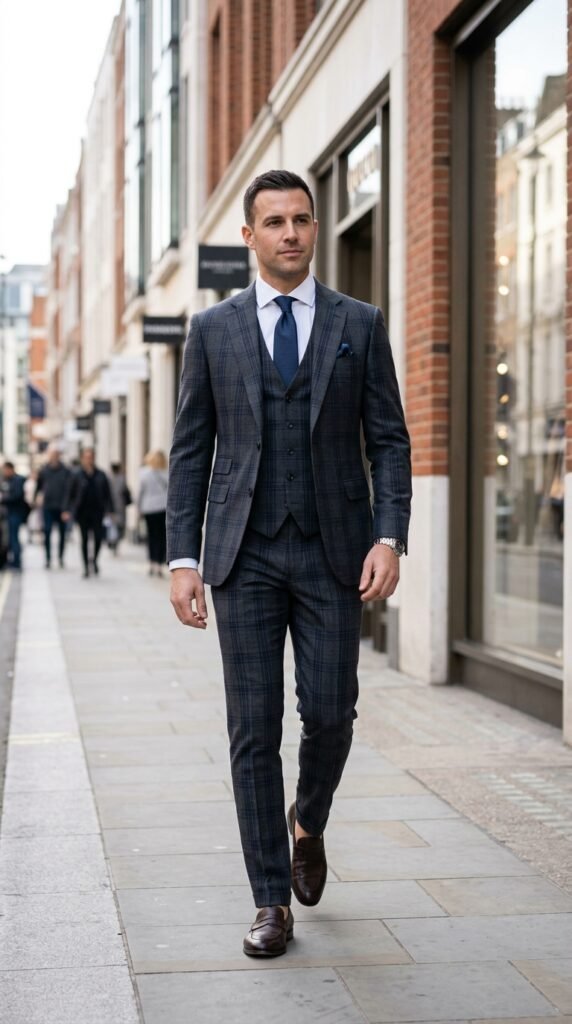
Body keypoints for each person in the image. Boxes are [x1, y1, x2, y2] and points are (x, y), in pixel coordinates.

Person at [167, 170, 412, 958]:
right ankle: (270, 899)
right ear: (249, 236)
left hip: (334, 549)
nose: (291, 234)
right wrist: (182, 557)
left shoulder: (360, 322)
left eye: (302, 220)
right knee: (251, 730)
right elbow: (191, 450)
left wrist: (390, 536)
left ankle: (307, 821)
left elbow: (390, 440)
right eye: (273, 222)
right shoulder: (212, 328)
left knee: (332, 713)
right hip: (243, 553)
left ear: (315, 226)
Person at [63, 448, 114, 578]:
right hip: (82, 512)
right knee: (84, 539)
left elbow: (108, 494)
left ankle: (94, 560)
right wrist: (66, 510)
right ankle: (86, 567)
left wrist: (110, 511)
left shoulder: (101, 474)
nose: (88, 459)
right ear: (82, 458)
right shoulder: (76, 474)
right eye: (86, 457)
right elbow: (69, 493)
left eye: (90, 456)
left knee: (98, 538)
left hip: (98, 511)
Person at [36, 447, 72, 568]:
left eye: (56, 454)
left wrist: (67, 508)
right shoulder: (44, 470)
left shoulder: (66, 471)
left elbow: (69, 490)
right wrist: (37, 498)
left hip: (62, 507)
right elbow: (39, 486)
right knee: (47, 532)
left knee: (62, 534)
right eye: (52, 455)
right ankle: (48, 558)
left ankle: (61, 558)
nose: (54, 457)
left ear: (59, 456)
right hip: (48, 506)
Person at [138, 450, 168, 576]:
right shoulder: (166, 473)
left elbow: (140, 492)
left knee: (151, 537)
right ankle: (160, 566)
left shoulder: (144, 473)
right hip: (163, 507)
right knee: (162, 537)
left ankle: (152, 563)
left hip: (149, 508)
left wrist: (139, 508)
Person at [0, 461, 28, 571]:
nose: (4, 472)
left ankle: (16, 562)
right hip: (6, 514)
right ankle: (9, 561)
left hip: (15, 513)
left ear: (10, 469)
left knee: (14, 538)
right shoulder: (4, 480)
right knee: (8, 539)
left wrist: (3, 499)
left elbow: (17, 495)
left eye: (5, 470)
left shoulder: (18, 480)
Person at [108, 462, 131, 555]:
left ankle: (112, 541)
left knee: (111, 525)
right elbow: (126, 491)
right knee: (119, 526)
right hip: (120, 506)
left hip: (111, 506)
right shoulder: (122, 479)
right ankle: (115, 543)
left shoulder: (108, 479)